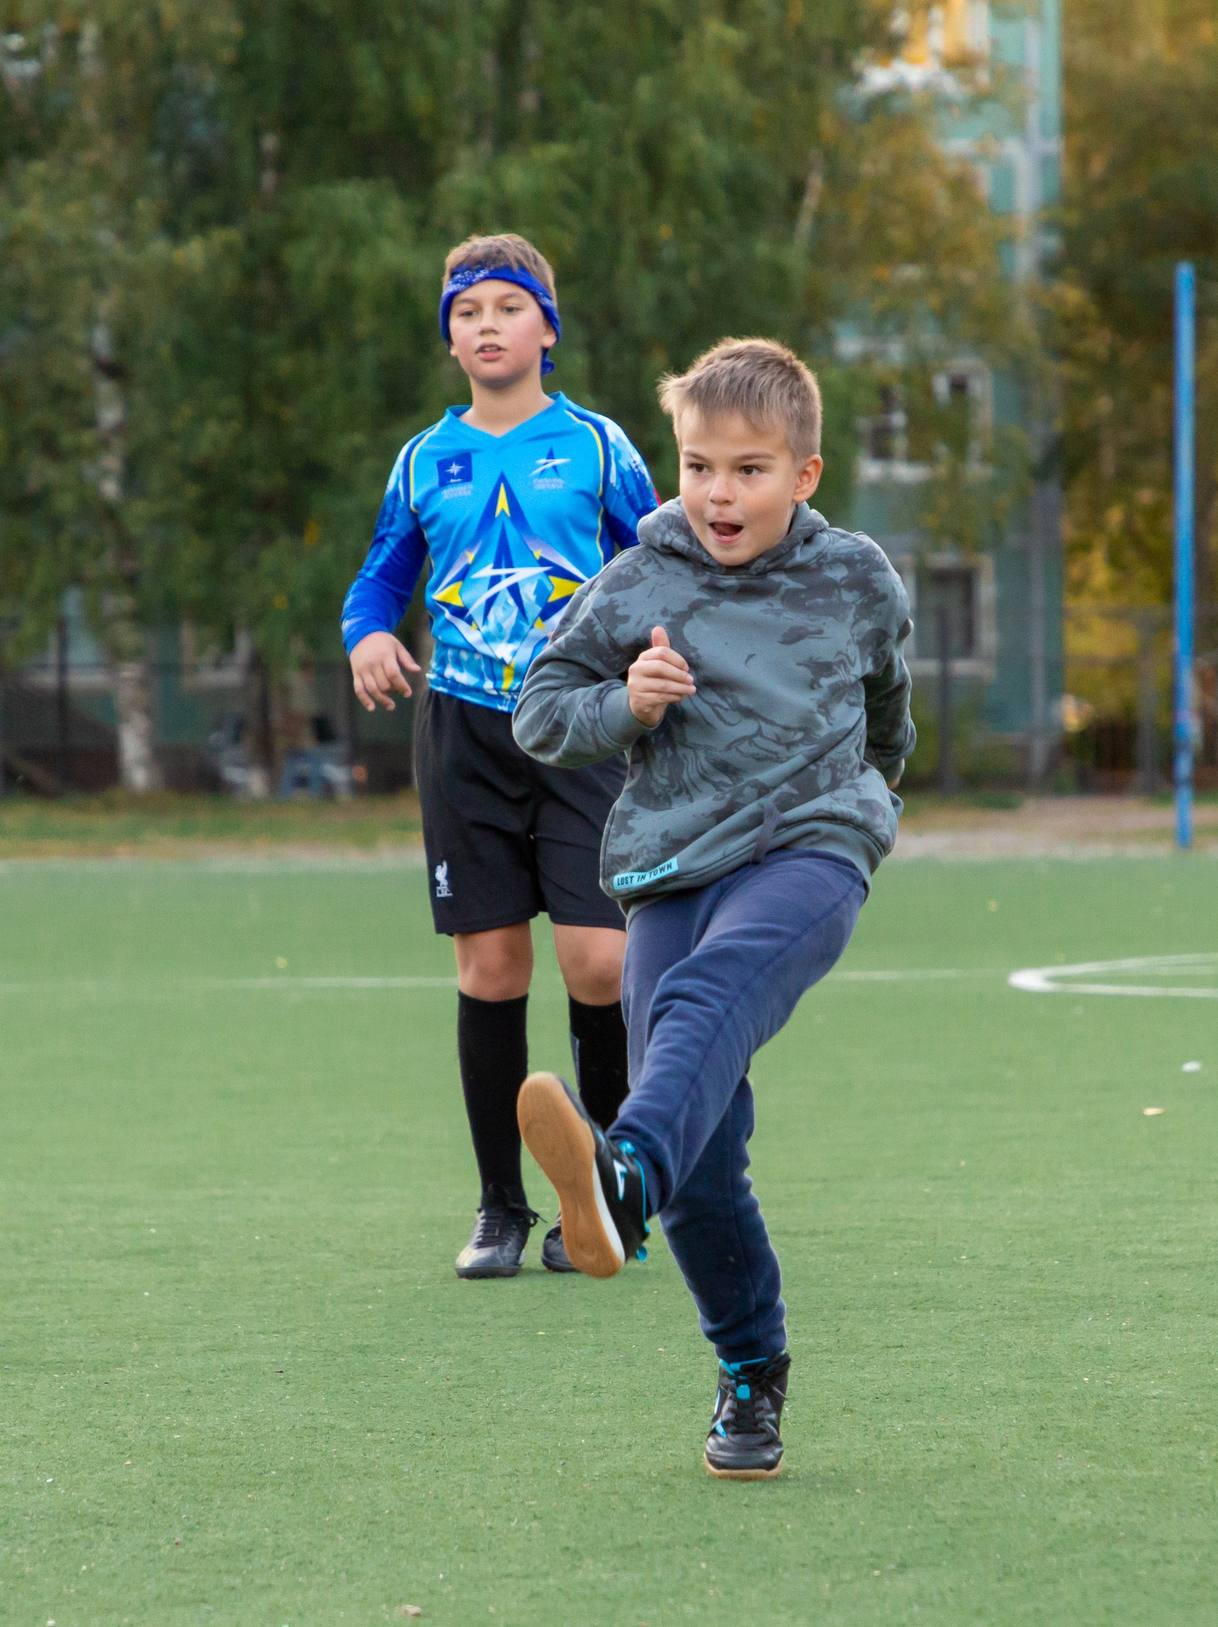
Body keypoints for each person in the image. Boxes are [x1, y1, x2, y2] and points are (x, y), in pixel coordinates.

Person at [511, 337, 915, 1477]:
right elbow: (543, 708)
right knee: (707, 1150)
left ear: (805, 473)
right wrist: (626, 705)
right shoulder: (639, 579)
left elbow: (889, 711)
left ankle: (618, 1175)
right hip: (671, 862)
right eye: (697, 467)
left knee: (698, 1008)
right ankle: (748, 1373)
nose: (718, 494)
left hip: (809, 845)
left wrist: (872, 798)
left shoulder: (858, 578)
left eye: (747, 470)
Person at [342, 233, 661, 1279]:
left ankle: (611, 1194)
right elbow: (381, 576)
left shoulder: (602, 444)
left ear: (546, 329)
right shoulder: (423, 457)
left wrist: (658, 662)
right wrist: (369, 635)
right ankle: (500, 1207)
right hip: (465, 727)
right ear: (449, 338)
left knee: (600, 960)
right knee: (489, 967)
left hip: (580, 723)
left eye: (505, 307)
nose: (485, 326)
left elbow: (661, 563)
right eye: (466, 311)